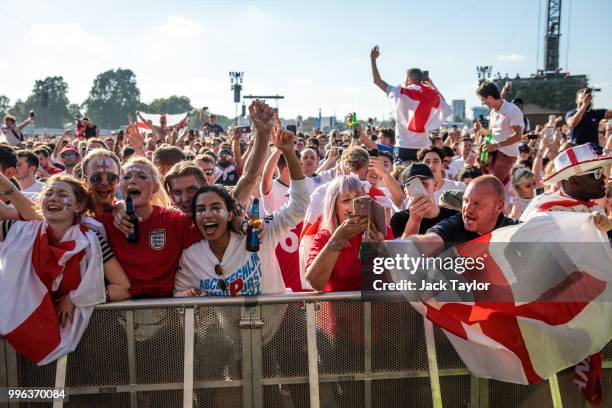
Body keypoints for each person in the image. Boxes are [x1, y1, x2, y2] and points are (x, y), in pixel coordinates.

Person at [175, 127, 309, 296]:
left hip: (279, 320)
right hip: (228, 324)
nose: (208, 214)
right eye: (200, 210)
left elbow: (299, 205)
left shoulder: (260, 232)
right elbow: (177, 297)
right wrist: (190, 296)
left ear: (230, 214)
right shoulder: (191, 257)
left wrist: (288, 152)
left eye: (216, 208)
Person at [305, 175, 389, 291]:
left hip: (377, 308)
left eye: (358, 198)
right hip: (340, 308)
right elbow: (315, 283)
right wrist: (337, 240)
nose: (353, 204)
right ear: (334, 208)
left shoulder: (381, 229)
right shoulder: (325, 236)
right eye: (346, 200)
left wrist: (381, 249)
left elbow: (400, 279)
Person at [370, 45, 451, 163]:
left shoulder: (401, 93)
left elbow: (377, 81)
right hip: (424, 147)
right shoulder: (432, 95)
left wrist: (373, 59)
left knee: (402, 179)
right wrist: (431, 84)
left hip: (403, 147)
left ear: (408, 79)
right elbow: (444, 104)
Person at [406, 176, 518, 255]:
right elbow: (430, 241)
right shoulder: (454, 225)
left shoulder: (515, 230)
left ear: (499, 206)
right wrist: (401, 246)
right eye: (465, 201)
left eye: (477, 203)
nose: (467, 208)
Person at [520, 144, 612, 233]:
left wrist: (605, 224)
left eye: (602, 171)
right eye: (596, 173)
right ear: (574, 180)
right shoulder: (545, 212)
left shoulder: (593, 208)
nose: (603, 177)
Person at [475, 81, 524, 185]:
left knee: (494, 188)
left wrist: (496, 145)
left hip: (507, 158)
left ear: (489, 97)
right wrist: (480, 130)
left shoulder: (512, 110)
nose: (482, 103)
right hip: (493, 156)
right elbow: (491, 134)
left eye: (482, 100)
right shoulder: (493, 112)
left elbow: (517, 136)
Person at [390, 163, 458, 238]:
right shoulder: (399, 219)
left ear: (435, 185)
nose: (421, 190)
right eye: (413, 186)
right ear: (406, 192)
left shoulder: (453, 216)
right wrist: (414, 221)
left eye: (424, 183)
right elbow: (403, 249)